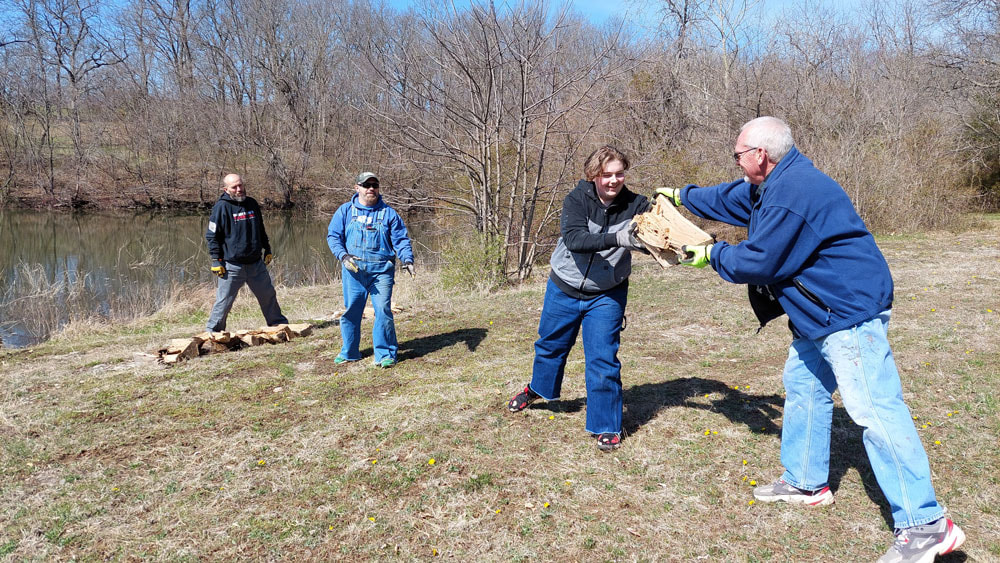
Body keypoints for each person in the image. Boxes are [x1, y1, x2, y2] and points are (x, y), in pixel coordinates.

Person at [657, 116, 965, 562]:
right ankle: (806, 482)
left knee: (876, 411)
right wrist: (680, 195)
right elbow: (729, 197)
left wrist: (711, 254)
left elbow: (760, 260)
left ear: (760, 155)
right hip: (817, 315)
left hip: (847, 313)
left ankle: (925, 525)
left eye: (738, 154)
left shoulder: (793, 193)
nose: (736, 161)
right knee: (803, 388)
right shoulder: (772, 183)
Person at [506, 146, 650, 452]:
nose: (614, 180)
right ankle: (538, 388)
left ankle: (606, 425)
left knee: (603, 359)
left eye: (619, 174)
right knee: (550, 345)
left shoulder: (637, 205)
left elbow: (659, 232)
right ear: (593, 175)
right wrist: (618, 238)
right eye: (607, 174)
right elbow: (575, 239)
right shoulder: (577, 199)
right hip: (565, 286)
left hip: (607, 293)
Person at [327, 172, 415, 368]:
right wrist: (343, 256)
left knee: (383, 310)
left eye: (374, 185)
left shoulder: (389, 214)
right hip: (353, 271)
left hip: (381, 271)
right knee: (352, 311)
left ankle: (385, 354)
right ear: (357, 187)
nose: (371, 189)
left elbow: (401, 240)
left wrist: (407, 259)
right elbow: (333, 237)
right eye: (366, 185)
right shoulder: (345, 211)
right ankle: (349, 352)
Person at [205, 173, 288, 332]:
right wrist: (216, 260)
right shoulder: (221, 207)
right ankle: (213, 332)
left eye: (240, 185)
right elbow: (212, 235)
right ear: (226, 189)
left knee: (268, 296)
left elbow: (260, 228)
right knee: (224, 303)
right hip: (232, 266)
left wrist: (267, 248)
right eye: (234, 187)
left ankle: (279, 325)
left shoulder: (251, 203)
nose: (239, 189)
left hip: (256, 264)